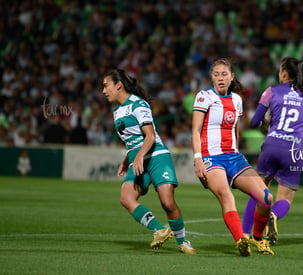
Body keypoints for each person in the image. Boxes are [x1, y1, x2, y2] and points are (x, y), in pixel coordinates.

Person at [102, 69, 196, 254]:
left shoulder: (138, 104)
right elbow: (132, 140)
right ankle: (159, 229)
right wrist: (127, 158)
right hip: (137, 159)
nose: (104, 91)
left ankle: (183, 241)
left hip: (156, 156)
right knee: (126, 198)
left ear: (118, 85)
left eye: (106, 86)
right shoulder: (117, 111)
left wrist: (137, 156)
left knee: (167, 203)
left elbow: (150, 136)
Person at [191, 58, 274, 256]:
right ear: (211, 77)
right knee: (226, 196)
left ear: (232, 76)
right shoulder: (204, 97)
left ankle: (257, 238)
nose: (220, 78)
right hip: (211, 158)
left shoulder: (237, 99)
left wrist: (237, 152)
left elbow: (235, 130)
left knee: (266, 198)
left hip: (234, 157)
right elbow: (195, 131)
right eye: (216, 74)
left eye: (224, 74)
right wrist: (198, 159)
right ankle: (240, 241)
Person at [242, 57, 303, 245]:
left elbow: (254, 122)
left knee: (258, 190)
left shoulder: (271, 91)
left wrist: (268, 124)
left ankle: (244, 234)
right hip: (294, 149)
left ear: (284, 73)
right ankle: (273, 216)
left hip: (272, 144)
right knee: (285, 197)